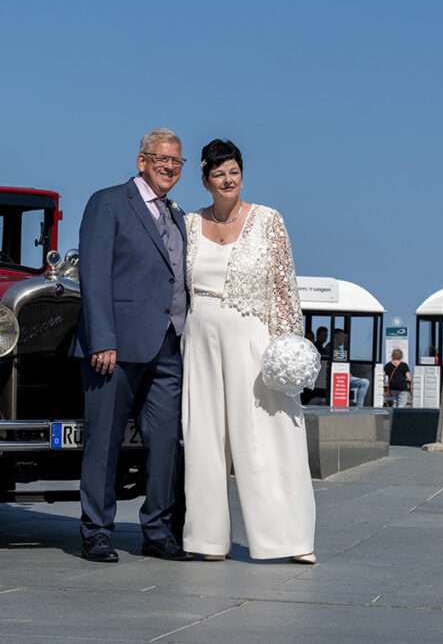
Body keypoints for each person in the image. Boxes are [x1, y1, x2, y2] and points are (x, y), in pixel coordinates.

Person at [180, 138, 316, 563]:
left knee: (267, 437)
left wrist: (287, 347)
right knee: (203, 437)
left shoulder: (268, 220)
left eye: (234, 171)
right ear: (205, 180)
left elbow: (283, 286)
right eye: (218, 173)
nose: (228, 180)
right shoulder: (186, 224)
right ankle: (206, 539)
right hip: (199, 336)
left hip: (253, 337)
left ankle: (289, 540)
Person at [73, 128, 190, 563]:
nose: (168, 167)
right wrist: (102, 338)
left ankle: (157, 531)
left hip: (168, 345)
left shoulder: (177, 214)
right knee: (103, 442)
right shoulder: (108, 203)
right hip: (116, 347)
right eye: (160, 159)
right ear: (141, 160)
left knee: (165, 444)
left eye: (176, 162)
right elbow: (94, 274)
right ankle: (97, 531)